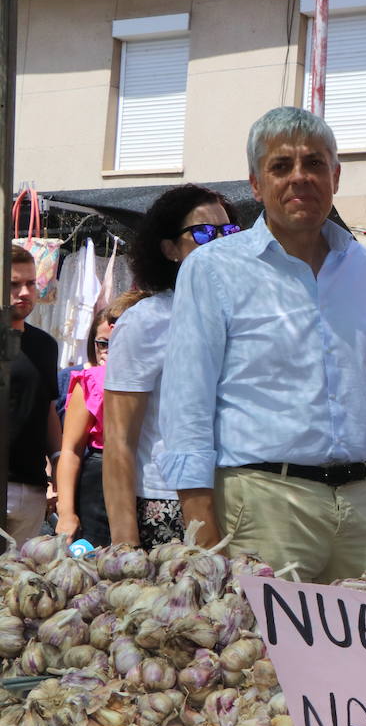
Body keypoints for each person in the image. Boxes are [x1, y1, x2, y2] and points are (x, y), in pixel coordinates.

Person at [158, 106, 366, 580]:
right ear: (255, 184)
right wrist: (201, 528)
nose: (300, 178)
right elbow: (187, 405)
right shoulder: (214, 268)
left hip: (360, 507)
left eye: (314, 164)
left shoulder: (362, 266)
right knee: (268, 656)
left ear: (335, 175)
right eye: (281, 166)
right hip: (261, 505)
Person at [104, 185, 242, 549]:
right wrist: (125, 544)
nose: (218, 242)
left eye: (227, 231)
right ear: (169, 249)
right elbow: (119, 440)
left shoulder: (246, 314)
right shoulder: (146, 321)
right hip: (166, 501)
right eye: (201, 233)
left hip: (242, 496)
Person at [54, 294, 148, 547]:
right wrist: (66, 513)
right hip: (99, 483)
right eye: (102, 343)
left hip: (149, 481)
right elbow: (71, 450)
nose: (108, 351)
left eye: (116, 341)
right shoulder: (91, 380)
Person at [7, 245, 61, 545]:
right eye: (14, 284)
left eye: (30, 283)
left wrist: (57, 467)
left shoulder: (45, 345)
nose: (25, 292)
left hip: (33, 487)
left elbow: (48, 409)